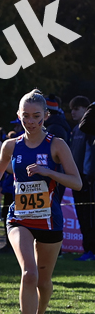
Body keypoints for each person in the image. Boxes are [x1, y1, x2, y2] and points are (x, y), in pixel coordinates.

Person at [0, 90, 81, 314]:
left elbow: (77, 182)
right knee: (29, 273)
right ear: (18, 115)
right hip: (19, 218)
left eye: (36, 116)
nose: (30, 121)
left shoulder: (56, 144)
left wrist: (49, 171)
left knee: (44, 282)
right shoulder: (11, 145)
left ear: (45, 116)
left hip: (50, 221)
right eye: (25, 115)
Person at [68, 96, 94, 260]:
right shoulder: (75, 129)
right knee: (82, 217)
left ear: (86, 110)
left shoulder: (89, 129)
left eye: (77, 108)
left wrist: (87, 177)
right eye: (72, 109)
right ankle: (87, 250)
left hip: (87, 180)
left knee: (90, 217)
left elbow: (89, 156)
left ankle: (91, 250)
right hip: (75, 179)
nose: (73, 112)